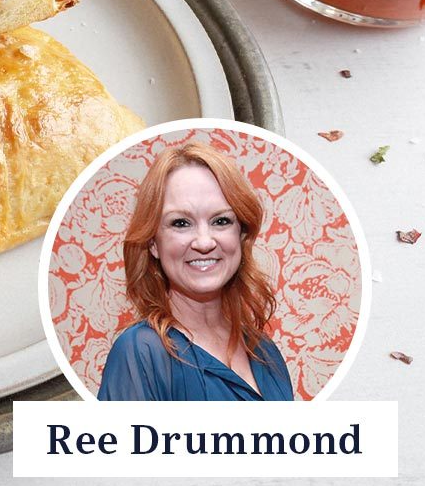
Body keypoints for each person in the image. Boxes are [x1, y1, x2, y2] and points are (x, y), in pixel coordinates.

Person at [97, 142, 294, 401]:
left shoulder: (264, 350)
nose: (204, 242)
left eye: (221, 221)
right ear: (153, 243)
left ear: (241, 234)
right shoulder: (140, 353)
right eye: (181, 223)